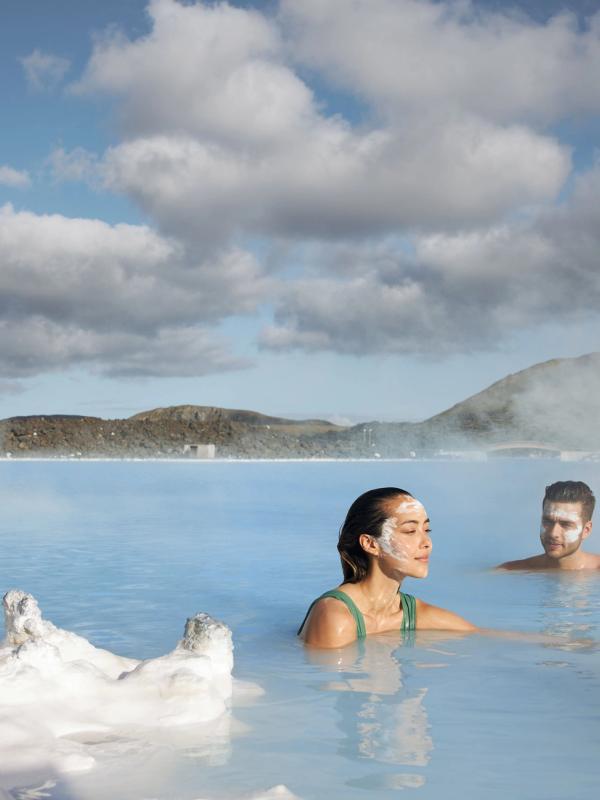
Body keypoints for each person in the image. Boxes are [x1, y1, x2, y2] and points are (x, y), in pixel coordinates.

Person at [298, 487, 476, 648]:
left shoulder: (414, 614)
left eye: (427, 530)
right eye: (410, 531)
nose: (427, 543)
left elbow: (484, 639)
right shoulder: (335, 617)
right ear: (371, 544)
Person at [498, 480, 600, 571]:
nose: (553, 533)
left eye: (566, 524)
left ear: (586, 530)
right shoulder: (511, 571)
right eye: (548, 521)